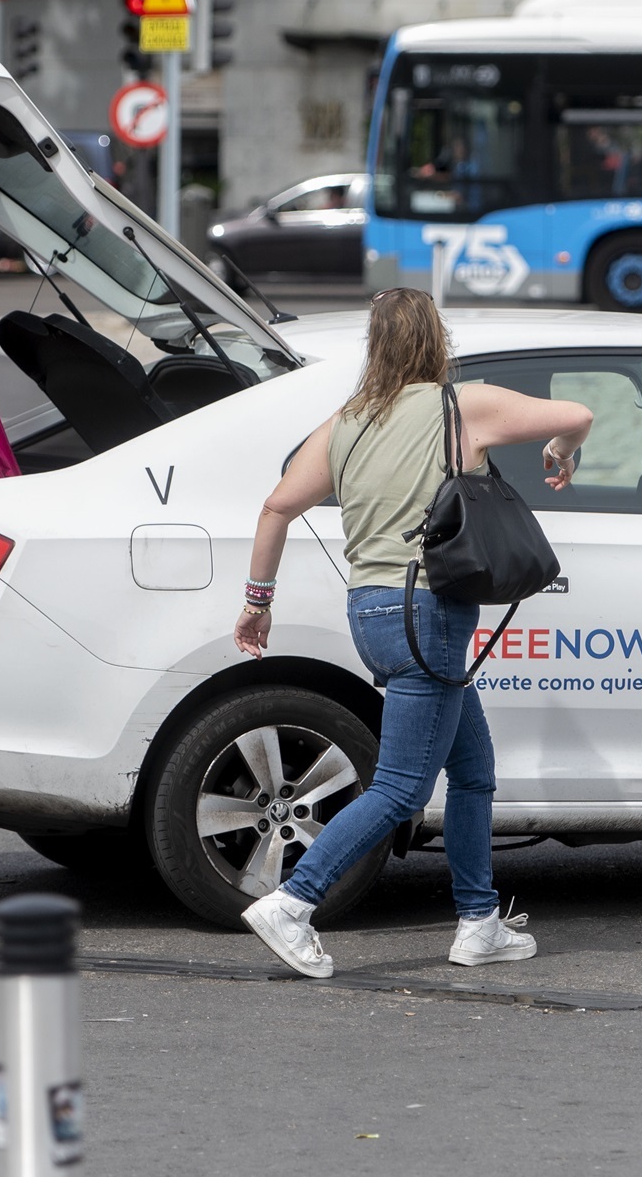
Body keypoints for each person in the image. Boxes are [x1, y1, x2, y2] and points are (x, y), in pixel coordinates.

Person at [233, 288, 594, 978]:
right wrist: (560, 448)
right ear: (436, 339)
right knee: (400, 787)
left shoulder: (348, 422)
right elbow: (577, 413)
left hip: (371, 610)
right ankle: (293, 903)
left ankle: (479, 920)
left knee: (473, 770)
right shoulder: (462, 405)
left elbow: (277, 506)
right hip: (429, 611)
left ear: (376, 344)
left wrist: (258, 602)